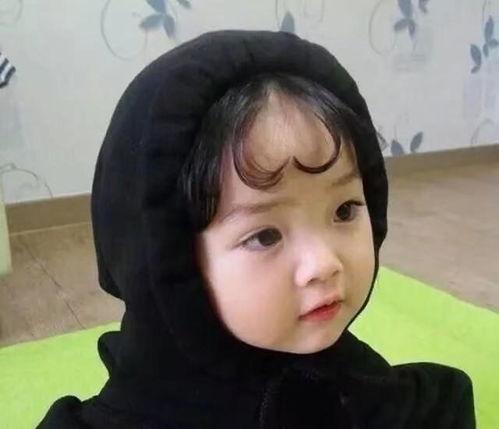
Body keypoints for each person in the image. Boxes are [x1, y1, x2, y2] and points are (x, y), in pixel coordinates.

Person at [37, 30, 475, 428]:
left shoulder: (353, 380)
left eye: (344, 210)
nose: (324, 264)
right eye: (265, 236)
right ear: (170, 262)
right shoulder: (140, 407)